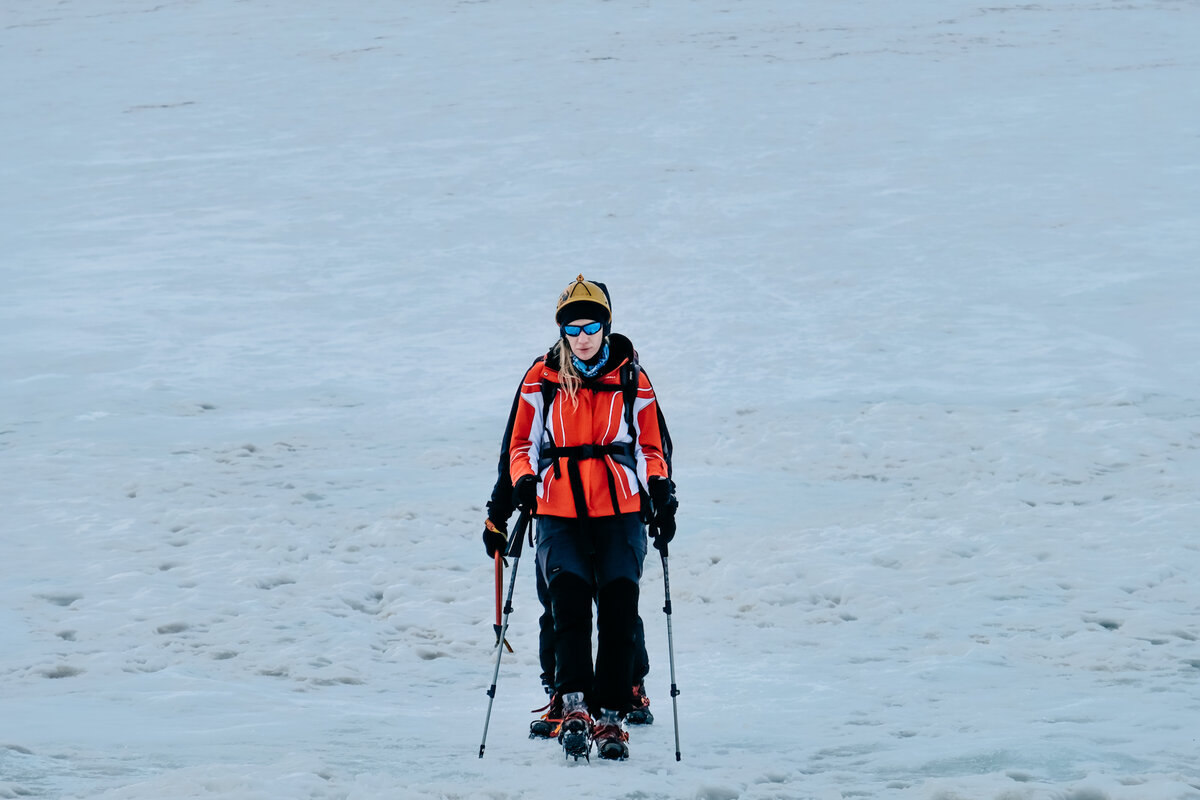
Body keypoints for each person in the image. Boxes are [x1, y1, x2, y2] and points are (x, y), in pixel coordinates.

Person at [481, 275, 677, 761]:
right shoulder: (541, 377)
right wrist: (514, 493)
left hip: (621, 511)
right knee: (566, 605)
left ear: (606, 326)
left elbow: (653, 446)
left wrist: (662, 494)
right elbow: (518, 444)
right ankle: (571, 705)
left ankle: (611, 715)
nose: (583, 336)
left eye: (592, 326)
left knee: (617, 607)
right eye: (572, 327)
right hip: (556, 510)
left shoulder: (632, 377)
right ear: (562, 331)